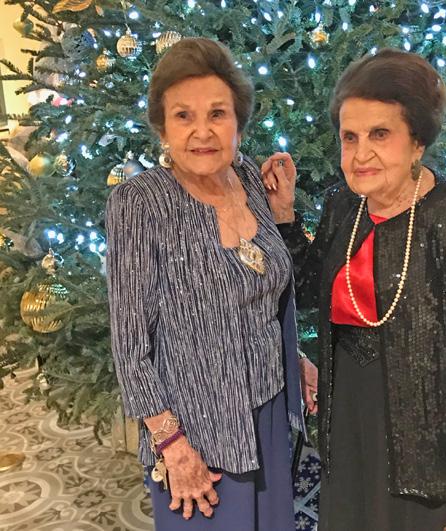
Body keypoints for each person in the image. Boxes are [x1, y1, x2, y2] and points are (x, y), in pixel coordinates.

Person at [262, 48, 446, 531]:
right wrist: (283, 217)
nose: (361, 154)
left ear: (417, 140)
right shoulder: (344, 204)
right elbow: (311, 289)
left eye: (380, 134)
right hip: (348, 433)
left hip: (431, 459)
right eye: (350, 137)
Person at [106, 37, 317, 531]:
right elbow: (130, 345)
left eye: (217, 114)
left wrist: (294, 358)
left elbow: (260, 293)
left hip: (268, 412)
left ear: (238, 121)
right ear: (162, 127)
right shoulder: (141, 204)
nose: (202, 131)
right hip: (197, 432)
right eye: (183, 116)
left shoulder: (246, 176)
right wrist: (172, 444)